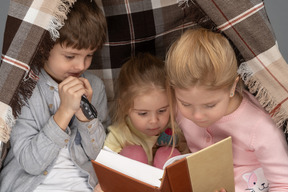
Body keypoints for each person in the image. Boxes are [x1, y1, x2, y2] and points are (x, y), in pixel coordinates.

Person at [0, 1, 110, 192]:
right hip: (31, 186)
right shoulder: (24, 87)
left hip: (83, 184)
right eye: (70, 56)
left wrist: (86, 118)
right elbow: (32, 163)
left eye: (89, 56)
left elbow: (99, 157)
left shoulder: (95, 87)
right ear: (44, 46)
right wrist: (65, 111)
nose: (81, 66)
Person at [165, 27, 288, 192]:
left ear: (233, 86)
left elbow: (283, 184)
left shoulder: (260, 127)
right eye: (186, 104)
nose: (197, 116)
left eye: (210, 105)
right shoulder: (177, 105)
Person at [104, 52, 188, 169]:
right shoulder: (120, 134)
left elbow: (190, 161)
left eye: (162, 111)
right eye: (143, 114)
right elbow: (105, 166)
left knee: (167, 154)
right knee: (133, 153)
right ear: (124, 107)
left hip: (169, 184)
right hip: (132, 185)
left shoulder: (177, 128)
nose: (154, 121)